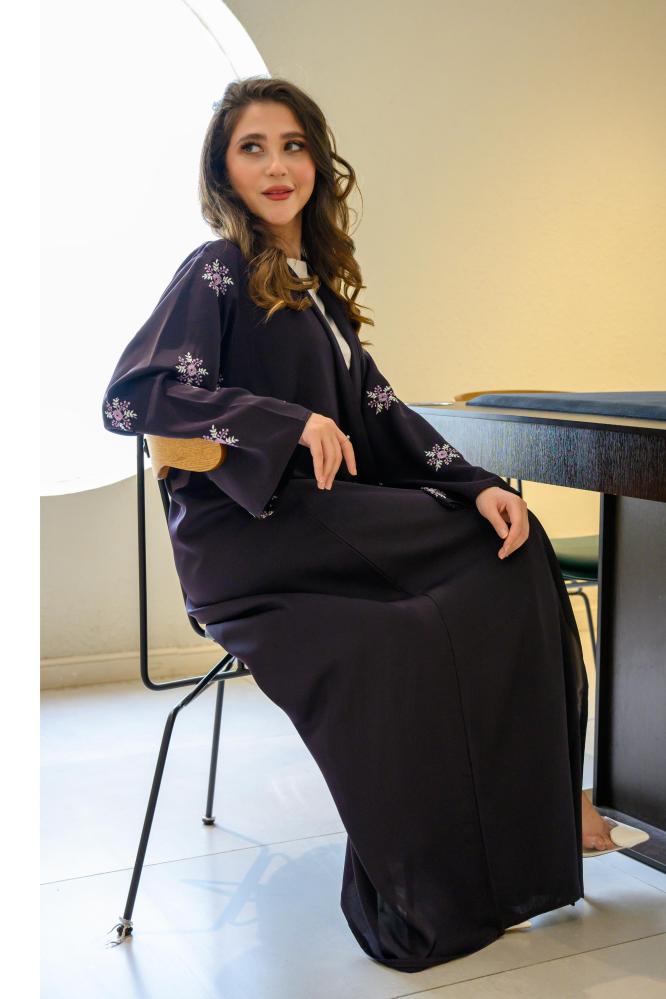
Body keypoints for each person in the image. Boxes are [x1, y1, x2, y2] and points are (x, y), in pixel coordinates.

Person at [101, 76, 616, 972]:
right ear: (224, 171)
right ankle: (444, 880)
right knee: (463, 585)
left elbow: (385, 417)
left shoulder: (317, 294)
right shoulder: (216, 269)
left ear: (318, 163)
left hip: (325, 524)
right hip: (251, 537)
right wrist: (282, 421)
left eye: (293, 145)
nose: (276, 166)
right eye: (252, 148)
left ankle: (531, 838)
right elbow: (136, 399)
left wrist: (478, 486)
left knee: (511, 541)